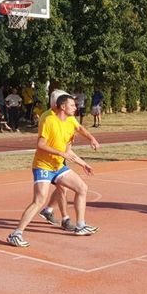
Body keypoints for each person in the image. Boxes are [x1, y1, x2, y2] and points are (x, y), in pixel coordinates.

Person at [8, 94, 97, 247]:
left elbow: (68, 150)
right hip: (43, 165)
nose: (76, 107)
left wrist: (83, 164)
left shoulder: (70, 123)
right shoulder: (49, 120)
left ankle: (80, 225)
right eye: (72, 105)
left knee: (82, 188)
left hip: (58, 167)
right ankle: (16, 234)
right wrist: (61, 153)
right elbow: (40, 145)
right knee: (39, 200)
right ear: (63, 107)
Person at [38, 89, 101, 231]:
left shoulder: (68, 117)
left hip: (61, 155)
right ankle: (65, 218)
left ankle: (48, 210)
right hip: (49, 159)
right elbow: (43, 143)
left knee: (67, 187)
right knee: (61, 189)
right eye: (70, 104)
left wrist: (91, 138)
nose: (73, 106)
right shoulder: (48, 118)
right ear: (59, 105)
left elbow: (79, 128)